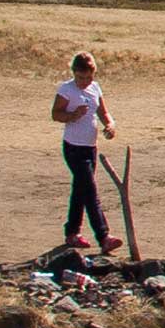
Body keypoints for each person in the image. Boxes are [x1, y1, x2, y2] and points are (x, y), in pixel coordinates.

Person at [49, 51, 120, 253]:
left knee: (80, 189)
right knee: (90, 190)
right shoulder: (67, 90)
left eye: (89, 77)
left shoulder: (94, 88)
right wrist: (72, 115)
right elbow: (55, 114)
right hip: (73, 147)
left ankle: (72, 233)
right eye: (81, 77)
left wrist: (110, 125)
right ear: (74, 73)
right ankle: (103, 236)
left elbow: (103, 112)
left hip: (90, 147)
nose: (85, 81)